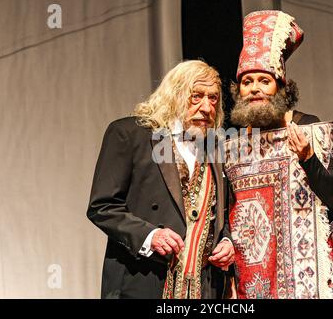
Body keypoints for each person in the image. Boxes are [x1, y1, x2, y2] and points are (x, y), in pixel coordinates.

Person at [87, 60, 235, 299]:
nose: (207, 107)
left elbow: (223, 213)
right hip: (144, 281)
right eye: (196, 96)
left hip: (204, 288)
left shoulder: (216, 148)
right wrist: (150, 235)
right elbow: (102, 207)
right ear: (174, 95)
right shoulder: (129, 134)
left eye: (213, 98)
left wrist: (226, 240)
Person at [224, 10, 333, 299]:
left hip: (302, 286)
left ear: (280, 87)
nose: (255, 89)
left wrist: (307, 157)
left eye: (264, 81)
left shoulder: (306, 128)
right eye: (247, 81)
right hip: (249, 283)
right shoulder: (232, 146)